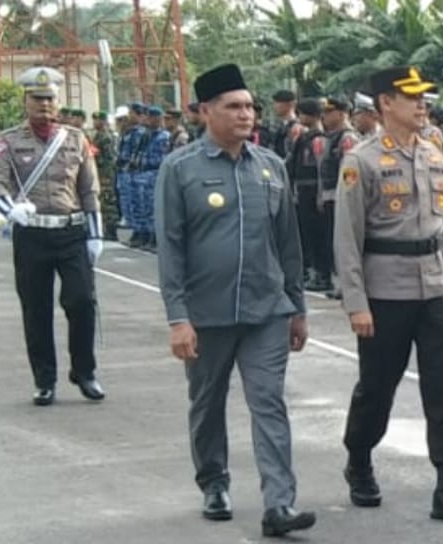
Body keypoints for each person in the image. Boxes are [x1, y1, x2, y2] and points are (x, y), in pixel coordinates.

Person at [155, 63, 315, 536]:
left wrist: (298, 308)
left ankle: (279, 504)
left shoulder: (271, 167)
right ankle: (214, 482)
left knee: (269, 402)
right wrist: (178, 318)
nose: (246, 114)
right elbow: (170, 248)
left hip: (266, 311)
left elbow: (289, 245)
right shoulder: (180, 169)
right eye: (234, 106)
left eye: (249, 106)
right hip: (206, 314)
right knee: (207, 402)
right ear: (206, 111)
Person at [334, 65, 443, 526]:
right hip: (386, 291)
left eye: (424, 97)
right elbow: (347, 238)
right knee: (377, 387)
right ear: (385, 104)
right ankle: (359, 458)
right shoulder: (361, 160)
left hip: (436, 286)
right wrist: (356, 303)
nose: (422, 104)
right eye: (411, 97)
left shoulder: (435, 155)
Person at [0, 66, 105, 406]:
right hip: (32, 236)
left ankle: (84, 372)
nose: (44, 105)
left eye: (50, 99)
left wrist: (95, 235)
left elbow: (89, 189)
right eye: (37, 99)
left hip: (70, 233)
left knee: (82, 302)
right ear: (25, 101)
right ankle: (44, 379)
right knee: (36, 309)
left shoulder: (75, 139)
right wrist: (11, 210)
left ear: (58, 101)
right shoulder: (9, 141)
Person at [317, 96, 360, 298]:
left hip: (340, 196)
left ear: (342, 114)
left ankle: (347, 285)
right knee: (331, 241)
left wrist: (346, 197)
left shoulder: (347, 138)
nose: (324, 117)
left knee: (344, 243)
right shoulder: (331, 137)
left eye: (329, 112)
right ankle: (339, 282)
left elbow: (349, 172)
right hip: (329, 195)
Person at [287, 98, 327, 287]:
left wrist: (320, 194)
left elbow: (321, 167)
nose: (300, 117)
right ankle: (312, 271)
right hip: (302, 190)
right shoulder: (304, 137)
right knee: (305, 233)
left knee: (316, 233)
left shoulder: (318, 139)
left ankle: (321, 273)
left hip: (313, 191)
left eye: (302, 113)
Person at [132, 106, 170, 251]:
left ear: (157, 119)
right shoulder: (146, 135)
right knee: (143, 207)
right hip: (143, 174)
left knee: (154, 208)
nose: (147, 120)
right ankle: (145, 234)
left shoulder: (163, 137)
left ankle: (155, 238)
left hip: (154, 173)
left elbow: (162, 158)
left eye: (150, 117)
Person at [116, 101, 147, 240]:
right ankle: (135, 229)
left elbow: (137, 153)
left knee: (139, 204)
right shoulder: (128, 131)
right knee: (129, 203)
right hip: (125, 172)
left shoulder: (140, 133)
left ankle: (142, 232)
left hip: (136, 172)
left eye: (131, 113)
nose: (129, 116)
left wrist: (130, 163)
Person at [92, 111, 120, 241]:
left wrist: (97, 156)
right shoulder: (97, 135)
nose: (95, 122)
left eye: (97, 120)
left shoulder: (106, 137)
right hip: (99, 173)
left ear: (103, 121)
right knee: (102, 202)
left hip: (106, 174)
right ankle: (105, 228)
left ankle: (111, 229)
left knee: (108, 202)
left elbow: (110, 157)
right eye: (94, 120)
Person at [271, 90, 302, 159]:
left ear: (290, 104)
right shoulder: (279, 127)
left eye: (278, 102)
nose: (275, 106)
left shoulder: (297, 127)